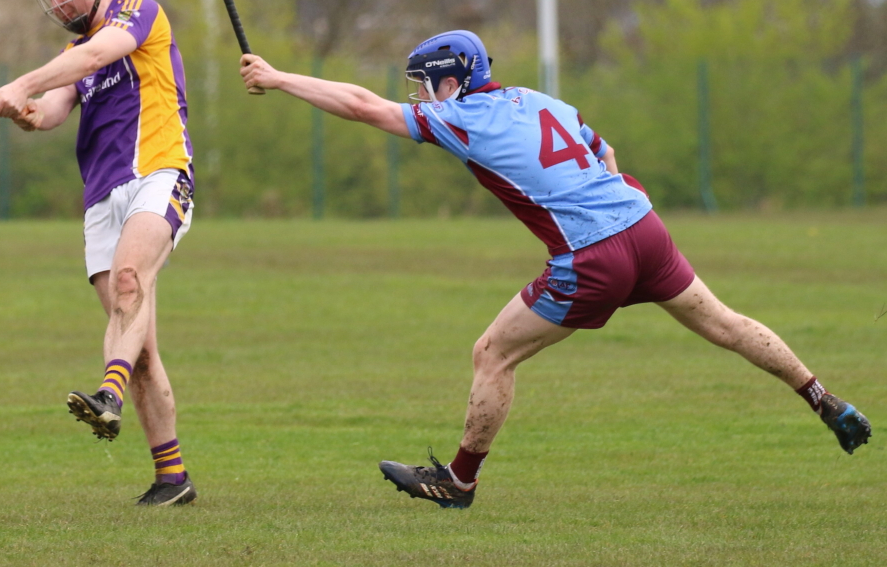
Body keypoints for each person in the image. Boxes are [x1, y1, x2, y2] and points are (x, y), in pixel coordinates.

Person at [238, 30, 872, 510]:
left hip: (592, 257)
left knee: (492, 354)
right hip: (644, 228)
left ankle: (458, 483)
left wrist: (278, 77)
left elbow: (361, 106)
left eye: (426, 84)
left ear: (452, 82)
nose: (422, 96)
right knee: (726, 324)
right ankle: (824, 398)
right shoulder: (540, 99)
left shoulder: (462, 118)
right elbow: (607, 153)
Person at [0, 0, 197, 507]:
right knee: (141, 346)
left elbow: (90, 56)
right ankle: (172, 478)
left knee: (131, 280)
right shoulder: (77, 56)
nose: (58, 1)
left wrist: (25, 81)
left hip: (160, 172)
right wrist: (20, 110)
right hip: (103, 198)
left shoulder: (139, 14)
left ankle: (107, 395)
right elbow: (50, 112)